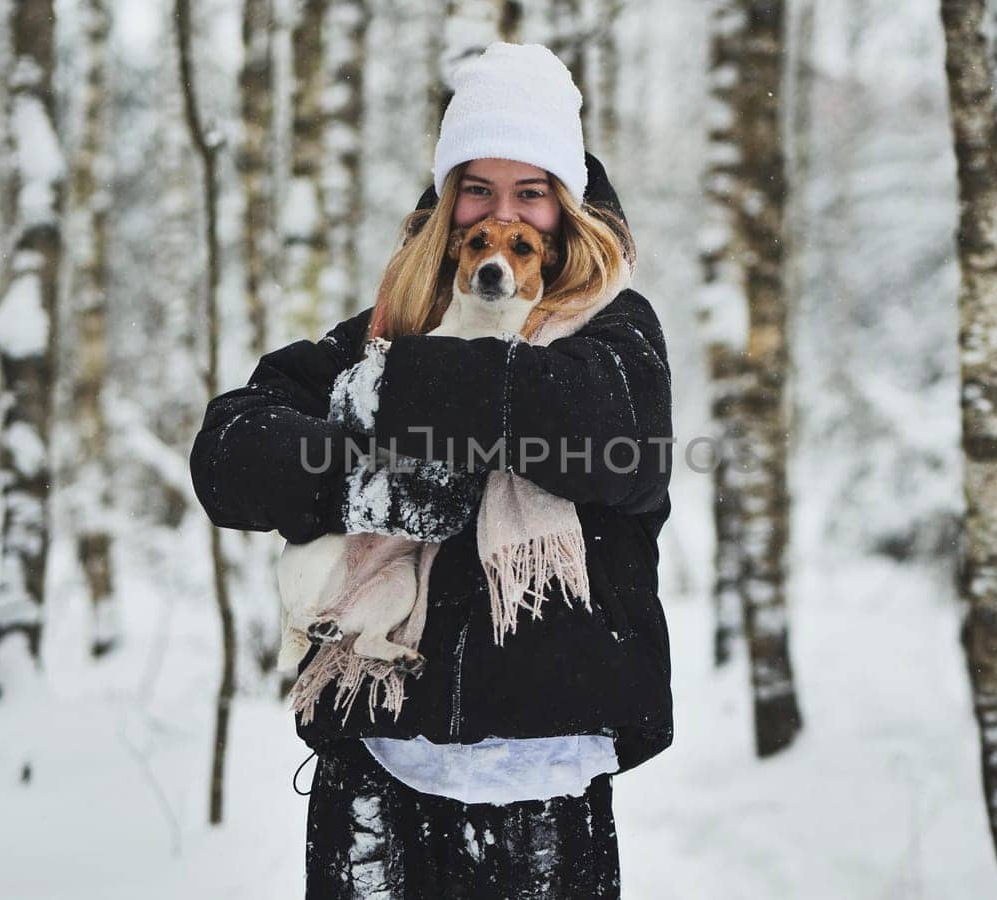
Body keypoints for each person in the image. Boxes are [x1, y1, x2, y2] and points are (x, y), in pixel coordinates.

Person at [190, 42, 673, 899]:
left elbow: (605, 435)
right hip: (378, 757)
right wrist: (372, 486)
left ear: (564, 217)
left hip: (544, 773)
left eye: (530, 194)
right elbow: (230, 454)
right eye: (476, 191)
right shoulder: (386, 326)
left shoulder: (615, 333)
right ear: (449, 216)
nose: (500, 216)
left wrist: (394, 387)